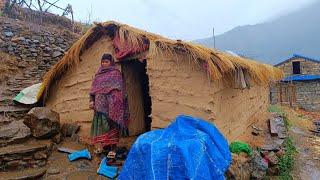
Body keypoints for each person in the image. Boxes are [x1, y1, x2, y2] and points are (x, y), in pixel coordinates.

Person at [89, 54, 129, 149]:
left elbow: (120, 89)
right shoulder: (98, 75)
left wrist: (115, 101)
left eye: (106, 62)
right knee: (103, 127)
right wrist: (91, 101)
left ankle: (113, 148)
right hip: (100, 107)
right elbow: (92, 91)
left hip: (112, 106)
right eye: (103, 62)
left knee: (112, 126)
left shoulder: (116, 73)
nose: (104, 63)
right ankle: (105, 147)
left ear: (111, 62)